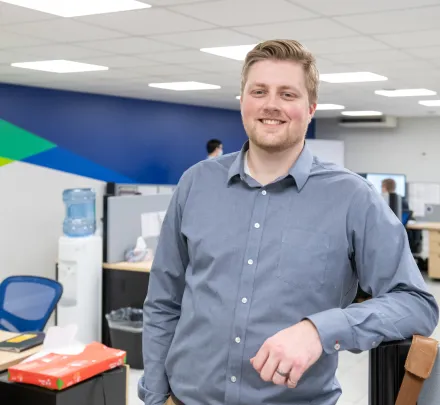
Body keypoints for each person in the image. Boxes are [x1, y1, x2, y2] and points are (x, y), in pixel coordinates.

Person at [139, 39, 438, 405]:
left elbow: (416, 305)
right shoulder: (196, 183)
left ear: (310, 108)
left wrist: (320, 330)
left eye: (288, 94)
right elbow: (163, 301)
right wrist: (154, 396)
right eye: (259, 91)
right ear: (243, 101)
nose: (271, 104)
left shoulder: (351, 197)